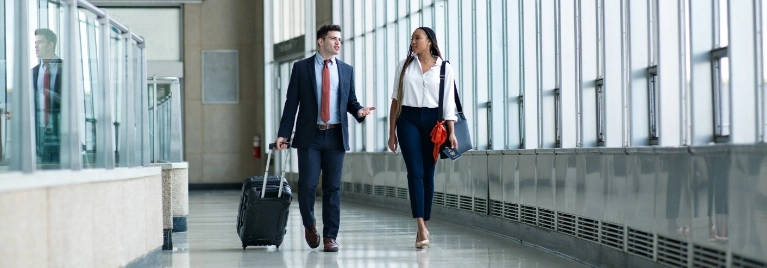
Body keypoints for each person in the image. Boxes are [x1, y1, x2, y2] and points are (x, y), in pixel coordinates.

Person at [274, 24, 375, 252]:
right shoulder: (301, 68)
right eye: (333, 38)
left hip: (336, 136)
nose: (338, 42)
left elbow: (351, 101)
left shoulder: (346, 70)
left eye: (339, 39)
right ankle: (310, 225)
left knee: (333, 188)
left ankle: (330, 236)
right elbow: (292, 104)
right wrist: (283, 134)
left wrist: (359, 112)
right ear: (321, 41)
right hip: (310, 136)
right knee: (308, 185)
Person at [387, 27, 458, 249]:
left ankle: (424, 223)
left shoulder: (444, 68)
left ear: (430, 42)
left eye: (418, 38)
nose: (413, 41)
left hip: (433, 122)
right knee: (414, 171)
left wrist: (452, 132)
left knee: (428, 173)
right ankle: (420, 225)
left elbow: (448, 105)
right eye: (412, 38)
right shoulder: (405, 65)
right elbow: (395, 100)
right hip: (407, 119)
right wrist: (391, 133)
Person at [32, 28, 62, 166]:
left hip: (59, 128)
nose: (36, 46)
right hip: (39, 129)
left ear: (51, 45)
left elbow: (71, 101)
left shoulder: (66, 68)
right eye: (35, 43)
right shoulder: (34, 71)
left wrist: (50, 94)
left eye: (40, 42)